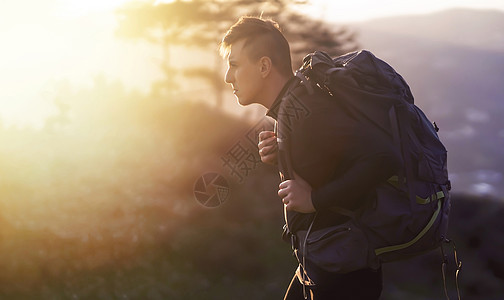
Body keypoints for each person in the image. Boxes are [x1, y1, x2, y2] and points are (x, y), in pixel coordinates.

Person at [220, 16, 401, 300]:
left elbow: (383, 158)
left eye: (234, 65)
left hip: (344, 276)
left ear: (264, 66)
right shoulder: (292, 107)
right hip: (321, 264)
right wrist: (281, 157)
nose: (228, 77)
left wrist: (314, 199)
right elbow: (329, 161)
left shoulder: (309, 110)